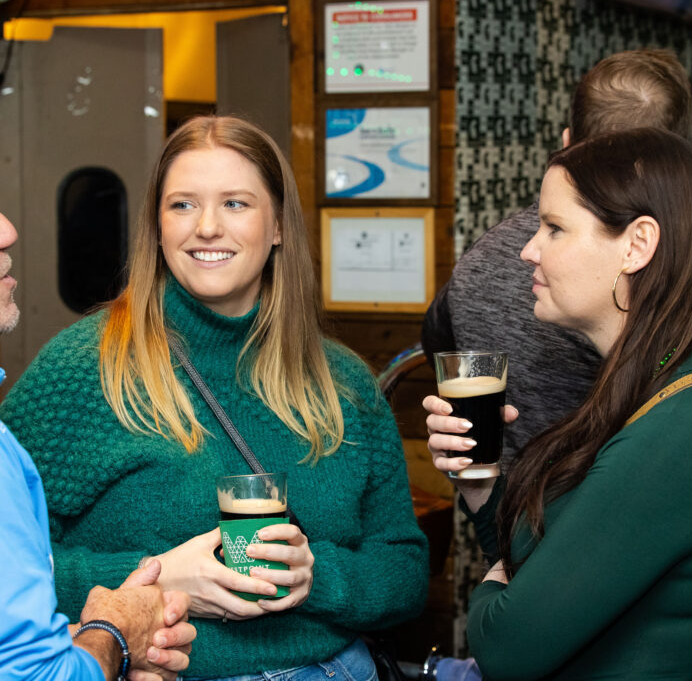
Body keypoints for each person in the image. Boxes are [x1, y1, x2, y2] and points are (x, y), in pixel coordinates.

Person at [0, 116, 429, 681]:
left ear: (277, 226)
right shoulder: (83, 369)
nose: (206, 227)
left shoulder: (342, 381)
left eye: (235, 204)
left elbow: (405, 567)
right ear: (156, 226)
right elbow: (15, 569)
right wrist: (156, 579)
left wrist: (315, 579)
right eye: (182, 205)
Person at [429, 128, 692, 678]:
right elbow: (530, 563)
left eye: (554, 228)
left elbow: (505, 647)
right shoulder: (644, 383)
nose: (527, 249)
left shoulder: (685, 428)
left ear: (636, 245)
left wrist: (494, 593)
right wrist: (480, 484)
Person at [422, 49, 692, 462]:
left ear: (567, 142)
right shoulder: (690, 266)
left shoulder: (480, 257)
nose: (532, 253)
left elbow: (437, 340)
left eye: (556, 230)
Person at [0, 211, 197, 680]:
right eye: (183, 205)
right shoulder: (79, 365)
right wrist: (117, 630)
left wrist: (77, 641)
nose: (9, 230)